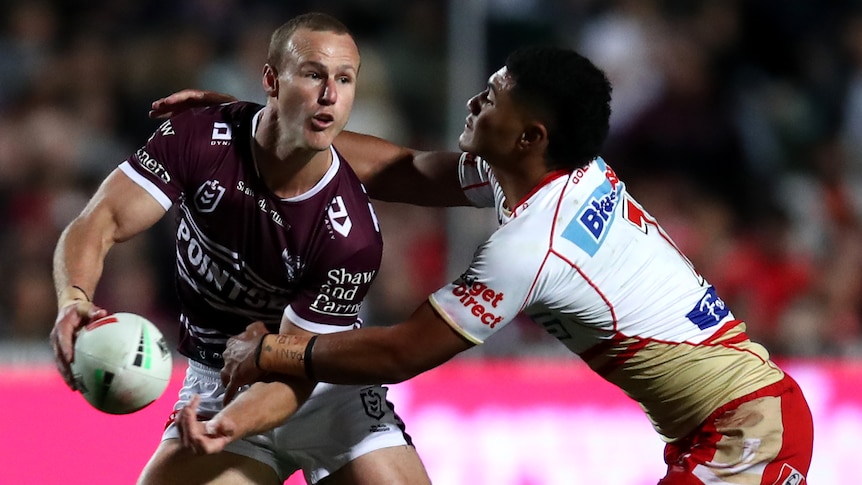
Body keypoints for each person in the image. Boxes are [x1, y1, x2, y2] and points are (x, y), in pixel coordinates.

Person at [160, 46, 815, 484]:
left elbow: (401, 352)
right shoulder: (551, 172)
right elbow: (405, 170)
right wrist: (259, 123)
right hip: (735, 420)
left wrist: (277, 352)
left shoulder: (535, 244)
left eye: (495, 95)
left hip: (746, 430)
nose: (477, 98)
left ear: (530, 136)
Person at [49, 12, 463, 485]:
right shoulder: (200, 137)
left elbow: (295, 371)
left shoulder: (350, 236)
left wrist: (228, 427)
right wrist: (73, 299)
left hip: (325, 388)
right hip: (217, 380)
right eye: (313, 74)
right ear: (270, 79)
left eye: (344, 79)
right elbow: (98, 220)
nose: (330, 94)